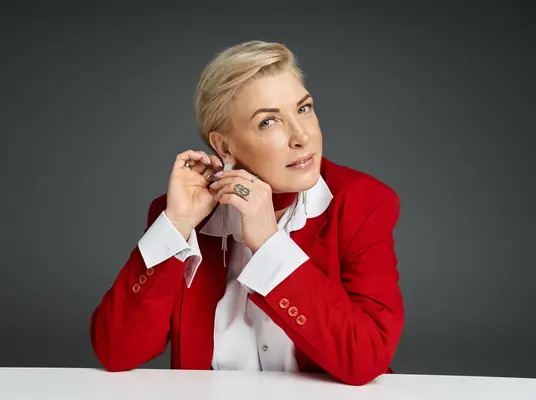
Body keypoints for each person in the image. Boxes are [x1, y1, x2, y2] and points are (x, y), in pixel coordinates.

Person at [89, 40, 404, 386]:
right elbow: (116, 351)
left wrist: (270, 244)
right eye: (269, 122)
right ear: (224, 146)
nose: (302, 137)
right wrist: (175, 225)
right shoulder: (188, 213)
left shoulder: (362, 203)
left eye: (304, 109)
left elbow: (366, 357)